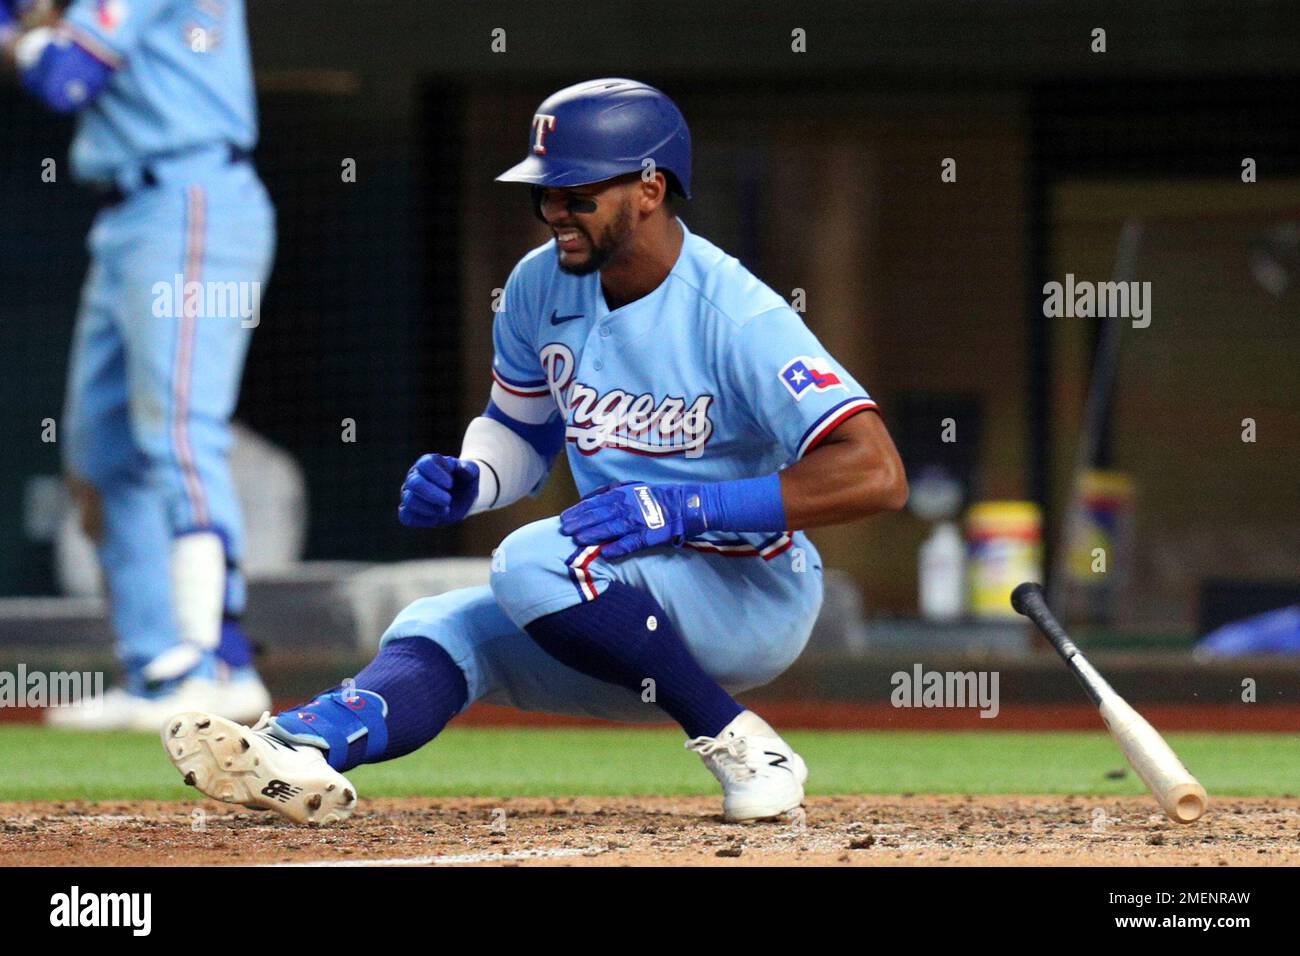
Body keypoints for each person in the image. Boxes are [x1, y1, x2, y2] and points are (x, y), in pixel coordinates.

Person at [161, 78, 907, 824]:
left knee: (531, 561)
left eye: (576, 192)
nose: (554, 210)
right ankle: (302, 747)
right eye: (544, 193)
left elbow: (876, 473)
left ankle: (737, 737)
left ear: (649, 188)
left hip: (746, 591)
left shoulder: (736, 315)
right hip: (615, 601)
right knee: (442, 623)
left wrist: (684, 506)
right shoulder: (536, 285)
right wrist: (475, 477)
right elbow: (520, 429)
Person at [2, 0, 273, 729]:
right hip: (128, 211)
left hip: (190, 198)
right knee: (100, 451)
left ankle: (220, 661)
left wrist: (20, 30)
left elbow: (63, 79)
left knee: (179, 432)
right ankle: (160, 669)